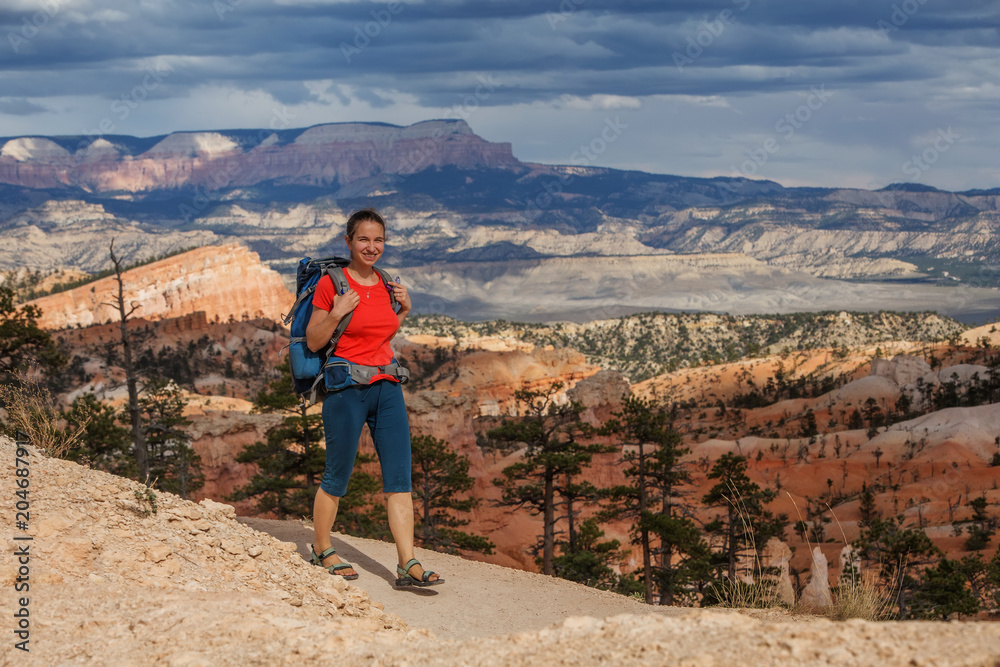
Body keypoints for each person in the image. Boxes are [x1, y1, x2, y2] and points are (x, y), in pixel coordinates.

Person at [306, 207, 443, 587]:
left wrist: (405, 310)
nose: (371, 246)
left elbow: (379, 334)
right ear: (348, 242)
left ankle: (407, 562)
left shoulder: (385, 282)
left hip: (387, 387)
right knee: (337, 475)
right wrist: (336, 313)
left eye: (378, 240)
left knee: (399, 477)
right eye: (363, 239)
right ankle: (321, 548)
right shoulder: (332, 284)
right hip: (347, 390)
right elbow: (315, 340)